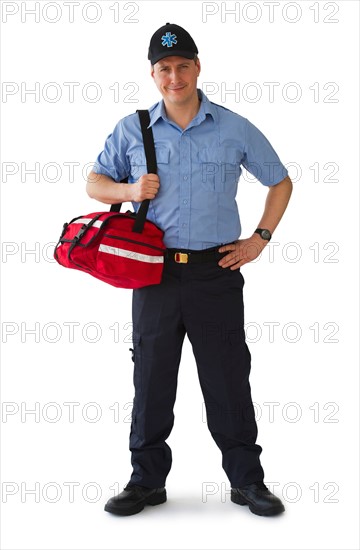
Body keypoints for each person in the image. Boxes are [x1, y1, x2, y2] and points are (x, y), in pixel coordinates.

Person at [87, 22, 293, 517]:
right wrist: (130, 191)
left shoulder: (233, 126)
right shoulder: (133, 129)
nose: (174, 77)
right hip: (153, 275)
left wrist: (259, 240)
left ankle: (247, 481)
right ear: (153, 74)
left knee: (227, 377)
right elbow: (95, 183)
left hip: (216, 273)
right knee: (152, 377)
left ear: (198, 67)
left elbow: (281, 182)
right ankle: (146, 482)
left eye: (182, 66)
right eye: (164, 69)